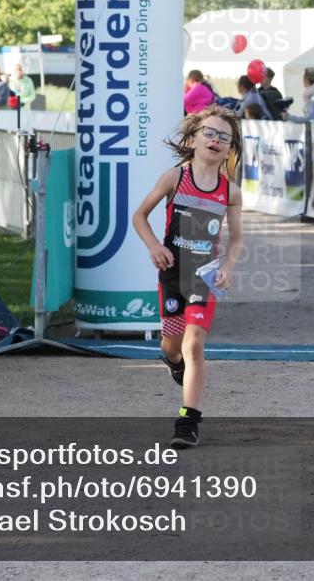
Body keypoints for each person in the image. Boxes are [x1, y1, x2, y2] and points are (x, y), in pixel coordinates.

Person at [132, 105, 244, 449]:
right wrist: (153, 246)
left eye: (224, 137)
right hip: (171, 275)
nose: (216, 140)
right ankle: (172, 360)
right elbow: (140, 216)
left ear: (230, 149)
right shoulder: (173, 178)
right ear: (194, 139)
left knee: (194, 343)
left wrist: (228, 266)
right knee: (173, 344)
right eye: (209, 133)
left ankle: (188, 421)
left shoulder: (231, 192)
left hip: (204, 278)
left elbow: (237, 238)